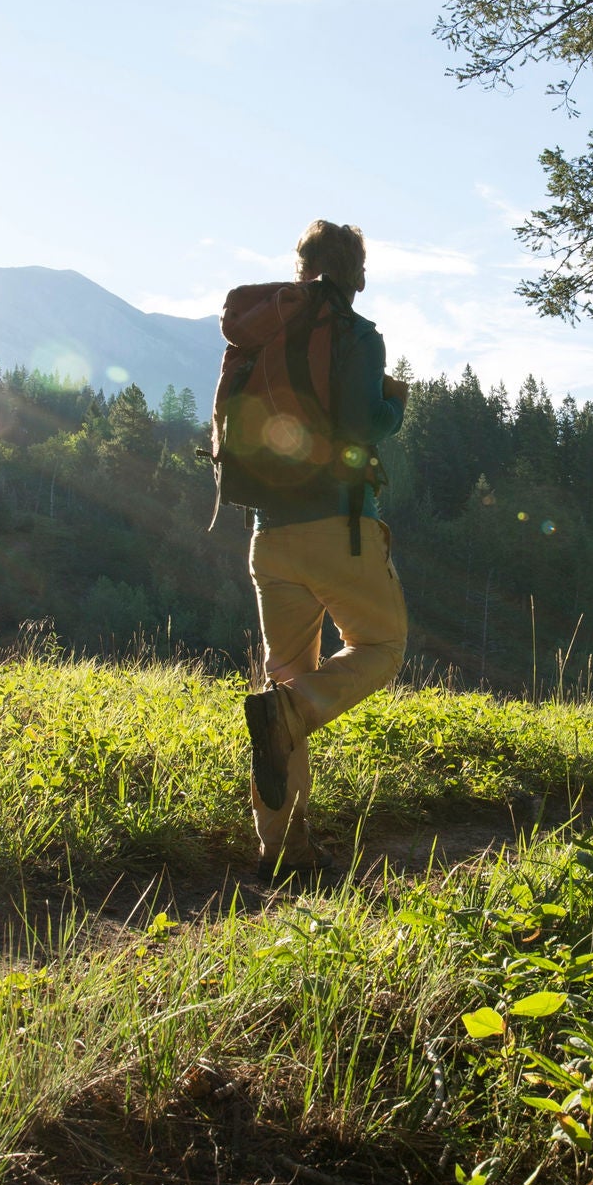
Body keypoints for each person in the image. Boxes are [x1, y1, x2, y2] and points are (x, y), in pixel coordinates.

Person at [211, 220, 408, 883]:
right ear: (355, 274)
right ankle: (291, 714)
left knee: (287, 677)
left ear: (301, 271)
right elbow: (358, 423)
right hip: (340, 525)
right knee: (382, 645)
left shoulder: (265, 333)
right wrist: (394, 408)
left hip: (269, 534)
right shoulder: (357, 336)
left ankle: (282, 850)